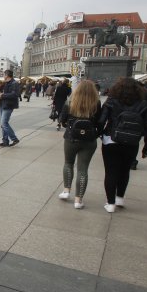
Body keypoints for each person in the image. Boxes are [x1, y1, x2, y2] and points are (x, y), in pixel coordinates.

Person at [99, 77, 147, 213]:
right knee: (124, 171)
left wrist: (99, 134)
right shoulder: (143, 104)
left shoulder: (111, 101)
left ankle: (110, 203)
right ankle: (120, 197)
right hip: (132, 142)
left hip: (111, 140)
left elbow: (101, 120)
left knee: (111, 171)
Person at [57, 80, 102, 209]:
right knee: (83, 169)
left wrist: (70, 126)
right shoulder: (96, 103)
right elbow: (100, 122)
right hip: (89, 141)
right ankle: (78, 200)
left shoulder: (70, 102)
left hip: (71, 138)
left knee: (68, 163)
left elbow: (62, 119)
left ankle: (66, 191)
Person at [0, 70, 20, 147]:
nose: (3, 76)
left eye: (4, 75)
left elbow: (14, 95)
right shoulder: (5, 83)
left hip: (8, 105)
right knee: (3, 124)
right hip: (2, 104)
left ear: (7, 75)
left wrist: (2, 95)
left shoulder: (14, 83)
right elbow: (1, 93)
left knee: (4, 123)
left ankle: (14, 139)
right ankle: (5, 141)